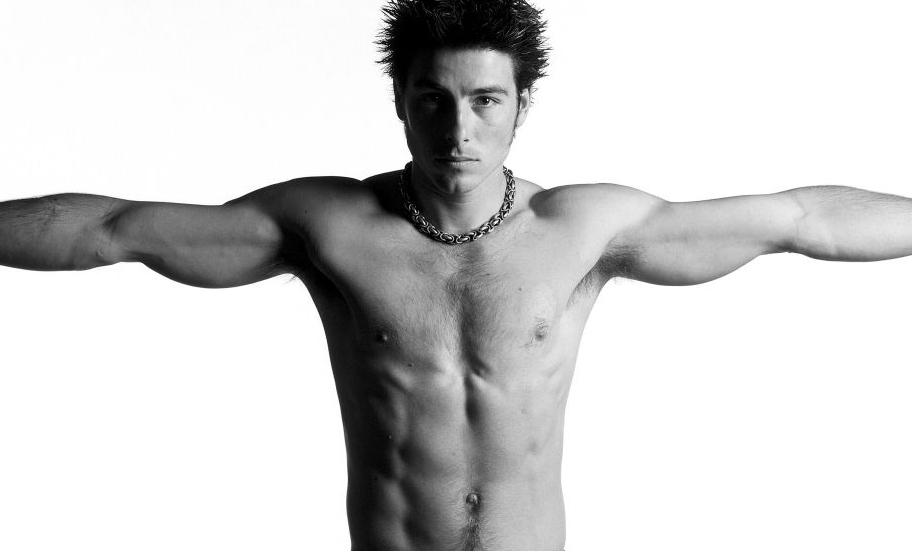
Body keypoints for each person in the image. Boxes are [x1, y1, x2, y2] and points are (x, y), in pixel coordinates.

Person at [2, 1, 910, 550]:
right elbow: (115, 229)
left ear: (521, 106)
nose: (459, 131)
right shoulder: (328, 227)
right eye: (433, 101)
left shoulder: (581, 231)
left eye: (485, 101)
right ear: (401, 103)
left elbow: (800, 219)